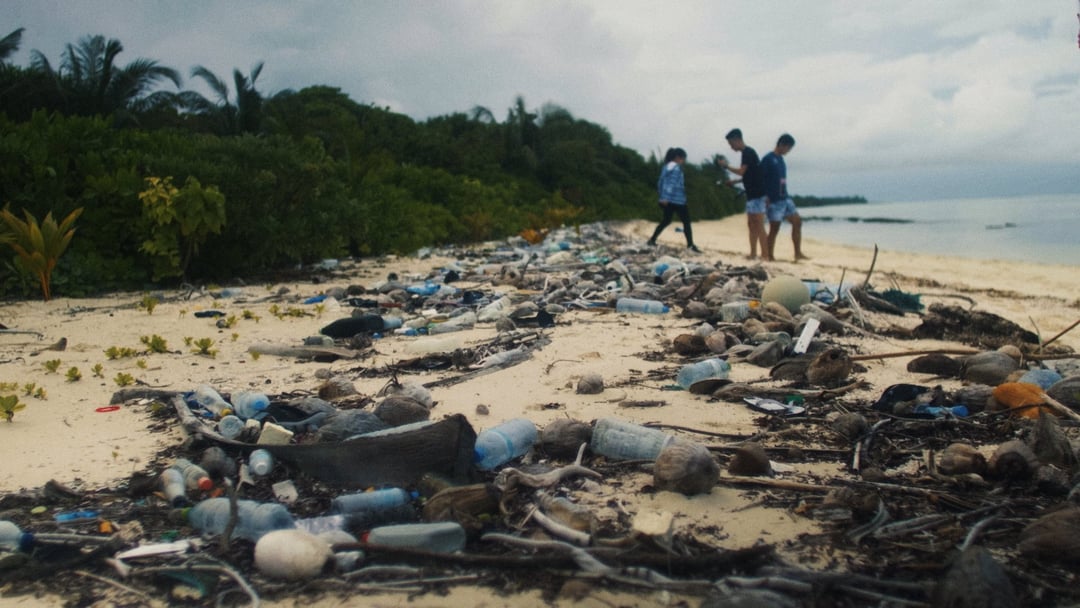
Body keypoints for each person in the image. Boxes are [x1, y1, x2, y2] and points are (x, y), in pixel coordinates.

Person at [719, 128, 768, 260]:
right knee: (751, 224)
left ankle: (765, 255)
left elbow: (742, 171)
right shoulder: (746, 153)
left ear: (737, 139)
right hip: (751, 194)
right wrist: (735, 182)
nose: (731, 147)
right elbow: (750, 174)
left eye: (731, 144)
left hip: (758, 194)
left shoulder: (748, 152)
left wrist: (726, 166)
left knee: (759, 224)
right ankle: (753, 253)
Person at [761, 133, 808, 261]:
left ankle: (798, 253)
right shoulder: (768, 159)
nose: (788, 151)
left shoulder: (781, 159)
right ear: (782, 145)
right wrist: (765, 196)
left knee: (797, 222)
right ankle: (769, 254)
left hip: (785, 198)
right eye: (788, 148)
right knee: (774, 228)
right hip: (773, 200)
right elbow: (761, 178)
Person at [647, 147, 701, 253]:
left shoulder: (665, 167)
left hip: (667, 200)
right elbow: (672, 184)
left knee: (666, 220)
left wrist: (662, 196)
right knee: (686, 222)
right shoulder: (676, 168)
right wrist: (666, 197)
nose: (683, 162)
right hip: (677, 200)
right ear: (678, 158)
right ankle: (690, 245)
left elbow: (660, 183)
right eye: (683, 159)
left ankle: (652, 239)